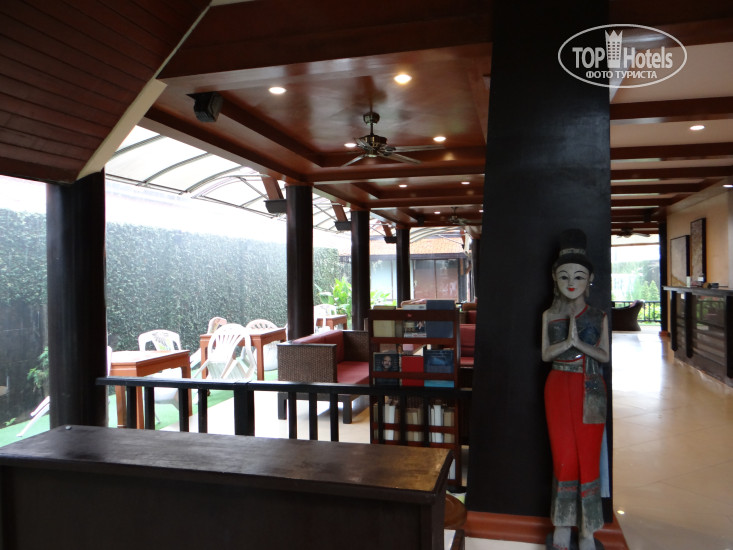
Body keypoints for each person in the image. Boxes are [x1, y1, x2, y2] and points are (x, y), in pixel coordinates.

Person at [541, 229, 609, 550]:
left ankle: (588, 529)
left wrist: (579, 344)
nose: (571, 282)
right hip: (558, 384)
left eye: (579, 276)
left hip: (590, 385)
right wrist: (566, 343)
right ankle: (563, 524)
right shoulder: (550, 315)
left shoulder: (597, 316)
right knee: (564, 456)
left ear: (590, 278)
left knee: (589, 456)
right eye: (564, 276)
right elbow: (545, 354)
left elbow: (605, 355)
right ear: (555, 278)